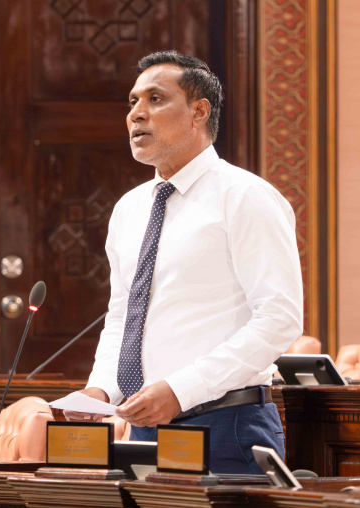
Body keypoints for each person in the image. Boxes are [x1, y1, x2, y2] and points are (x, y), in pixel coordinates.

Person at [64, 50, 303, 474]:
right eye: (133, 101)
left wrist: (181, 389)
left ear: (199, 112)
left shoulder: (245, 197)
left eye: (155, 99)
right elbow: (123, 316)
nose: (136, 113)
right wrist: (101, 389)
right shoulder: (130, 208)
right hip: (144, 426)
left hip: (226, 424)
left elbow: (280, 318)